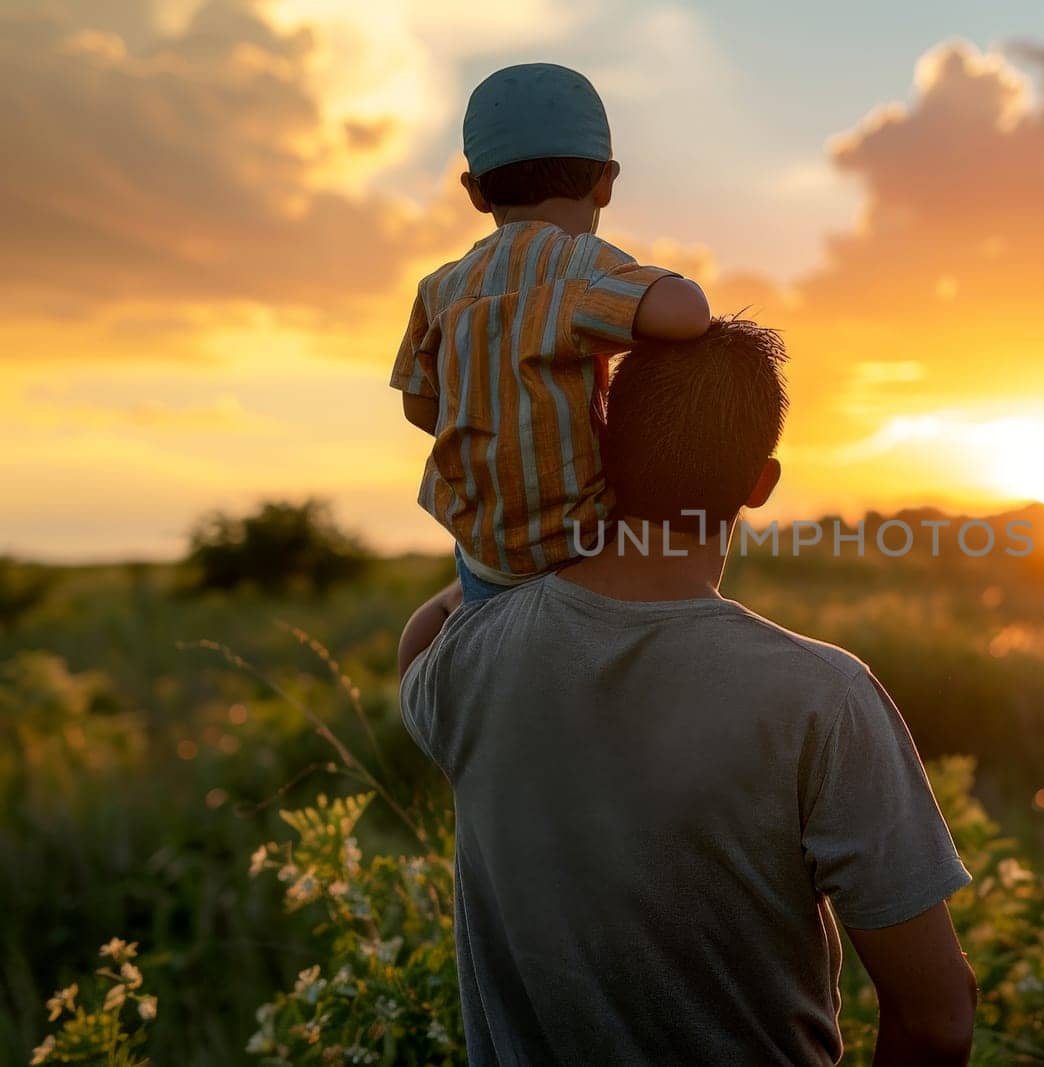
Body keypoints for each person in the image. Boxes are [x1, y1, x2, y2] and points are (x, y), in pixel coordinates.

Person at [398, 319, 978, 1065]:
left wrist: (537, 523)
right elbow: (938, 1019)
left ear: (600, 453)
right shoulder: (824, 698)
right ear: (760, 484)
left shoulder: (472, 657)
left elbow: (427, 633)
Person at [390, 62, 711, 607]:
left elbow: (420, 409)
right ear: (605, 182)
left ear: (473, 191)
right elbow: (689, 313)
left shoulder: (440, 288)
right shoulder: (583, 270)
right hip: (580, 542)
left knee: (436, 625)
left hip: (483, 553)